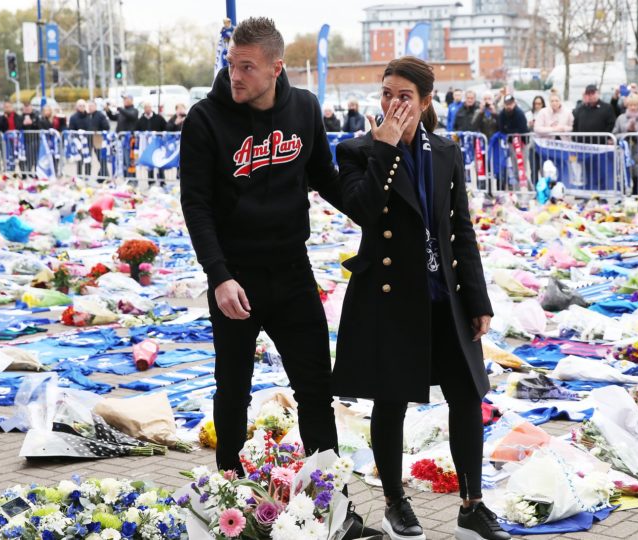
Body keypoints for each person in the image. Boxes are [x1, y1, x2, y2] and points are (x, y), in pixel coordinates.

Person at [333, 55, 509, 540]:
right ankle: (395, 502)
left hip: (443, 294)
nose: (393, 104)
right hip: (389, 294)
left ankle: (472, 506)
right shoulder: (358, 150)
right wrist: (385, 149)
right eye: (387, 94)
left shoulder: (446, 151)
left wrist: (478, 300)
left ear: (426, 101)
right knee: (391, 400)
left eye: (404, 96)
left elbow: (460, 229)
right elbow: (363, 209)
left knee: (467, 395)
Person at [179, 16, 341, 476]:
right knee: (233, 389)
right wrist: (218, 276)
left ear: (276, 68)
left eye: (247, 66)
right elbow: (196, 204)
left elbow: (326, 179)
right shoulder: (205, 119)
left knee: (316, 388)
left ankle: (328, 493)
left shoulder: (304, 108)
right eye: (232, 63)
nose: (235, 75)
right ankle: (228, 486)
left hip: (292, 271)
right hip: (236, 276)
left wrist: (380, 211)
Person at [108, 94, 140, 178]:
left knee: (130, 160)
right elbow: (113, 117)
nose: (125, 101)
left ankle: (132, 179)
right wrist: (108, 110)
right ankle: (126, 178)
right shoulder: (122, 112)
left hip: (129, 140)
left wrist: (119, 108)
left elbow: (130, 116)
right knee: (123, 161)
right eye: (124, 99)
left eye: (126, 99)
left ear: (131, 100)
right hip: (120, 139)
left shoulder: (134, 111)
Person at [136, 102, 168, 183]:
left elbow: (166, 127)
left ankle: (162, 181)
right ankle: (150, 181)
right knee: (149, 163)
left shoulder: (158, 118)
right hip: (147, 145)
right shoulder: (141, 120)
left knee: (159, 162)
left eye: (149, 107)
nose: (147, 109)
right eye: (146, 108)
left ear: (151, 108)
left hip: (158, 144)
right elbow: (137, 129)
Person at [86, 101, 111, 180]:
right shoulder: (88, 115)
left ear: (95, 106)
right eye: (89, 106)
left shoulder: (100, 115)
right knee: (88, 158)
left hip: (98, 139)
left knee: (101, 158)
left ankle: (104, 176)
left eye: (92, 106)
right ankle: (87, 176)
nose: (90, 108)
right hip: (88, 139)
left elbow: (106, 126)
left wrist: (97, 130)